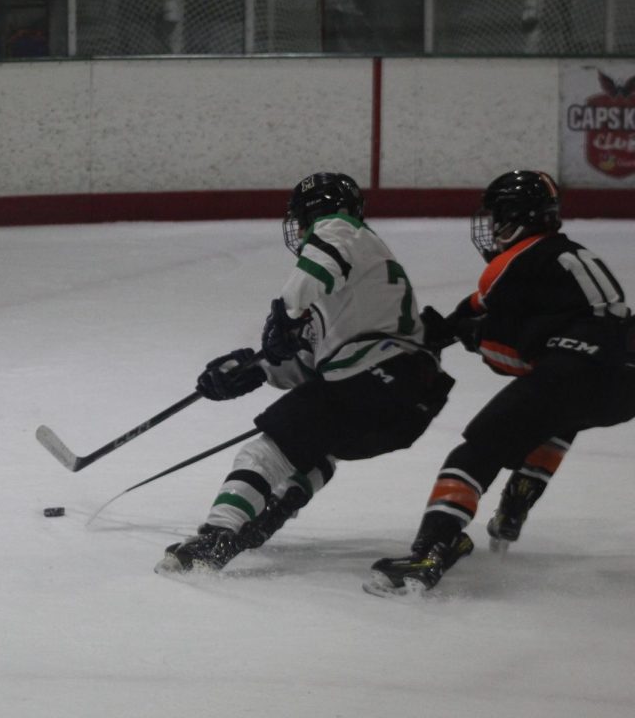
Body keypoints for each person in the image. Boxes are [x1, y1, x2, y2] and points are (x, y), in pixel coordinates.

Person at [156, 173, 454, 574]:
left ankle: (216, 536)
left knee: (267, 449)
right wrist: (252, 370)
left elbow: (319, 265)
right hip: (407, 406)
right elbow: (315, 365)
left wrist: (284, 316)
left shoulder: (341, 230)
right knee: (318, 440)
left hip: (379, 377)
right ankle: (277, 506)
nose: (300, 231)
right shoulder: (353, 291)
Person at [368, 171, 635, 594]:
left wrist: (463, 335)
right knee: (556, 412)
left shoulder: (516, 259)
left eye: (497, 218)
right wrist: (457, 326)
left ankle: (433, 547)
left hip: (576, 366)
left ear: (517, 218)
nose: (492, 228)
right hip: (625, 381)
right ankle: (518, 500)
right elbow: (483, 310)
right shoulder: (564, 255)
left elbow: (497, 337)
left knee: (479, 448)